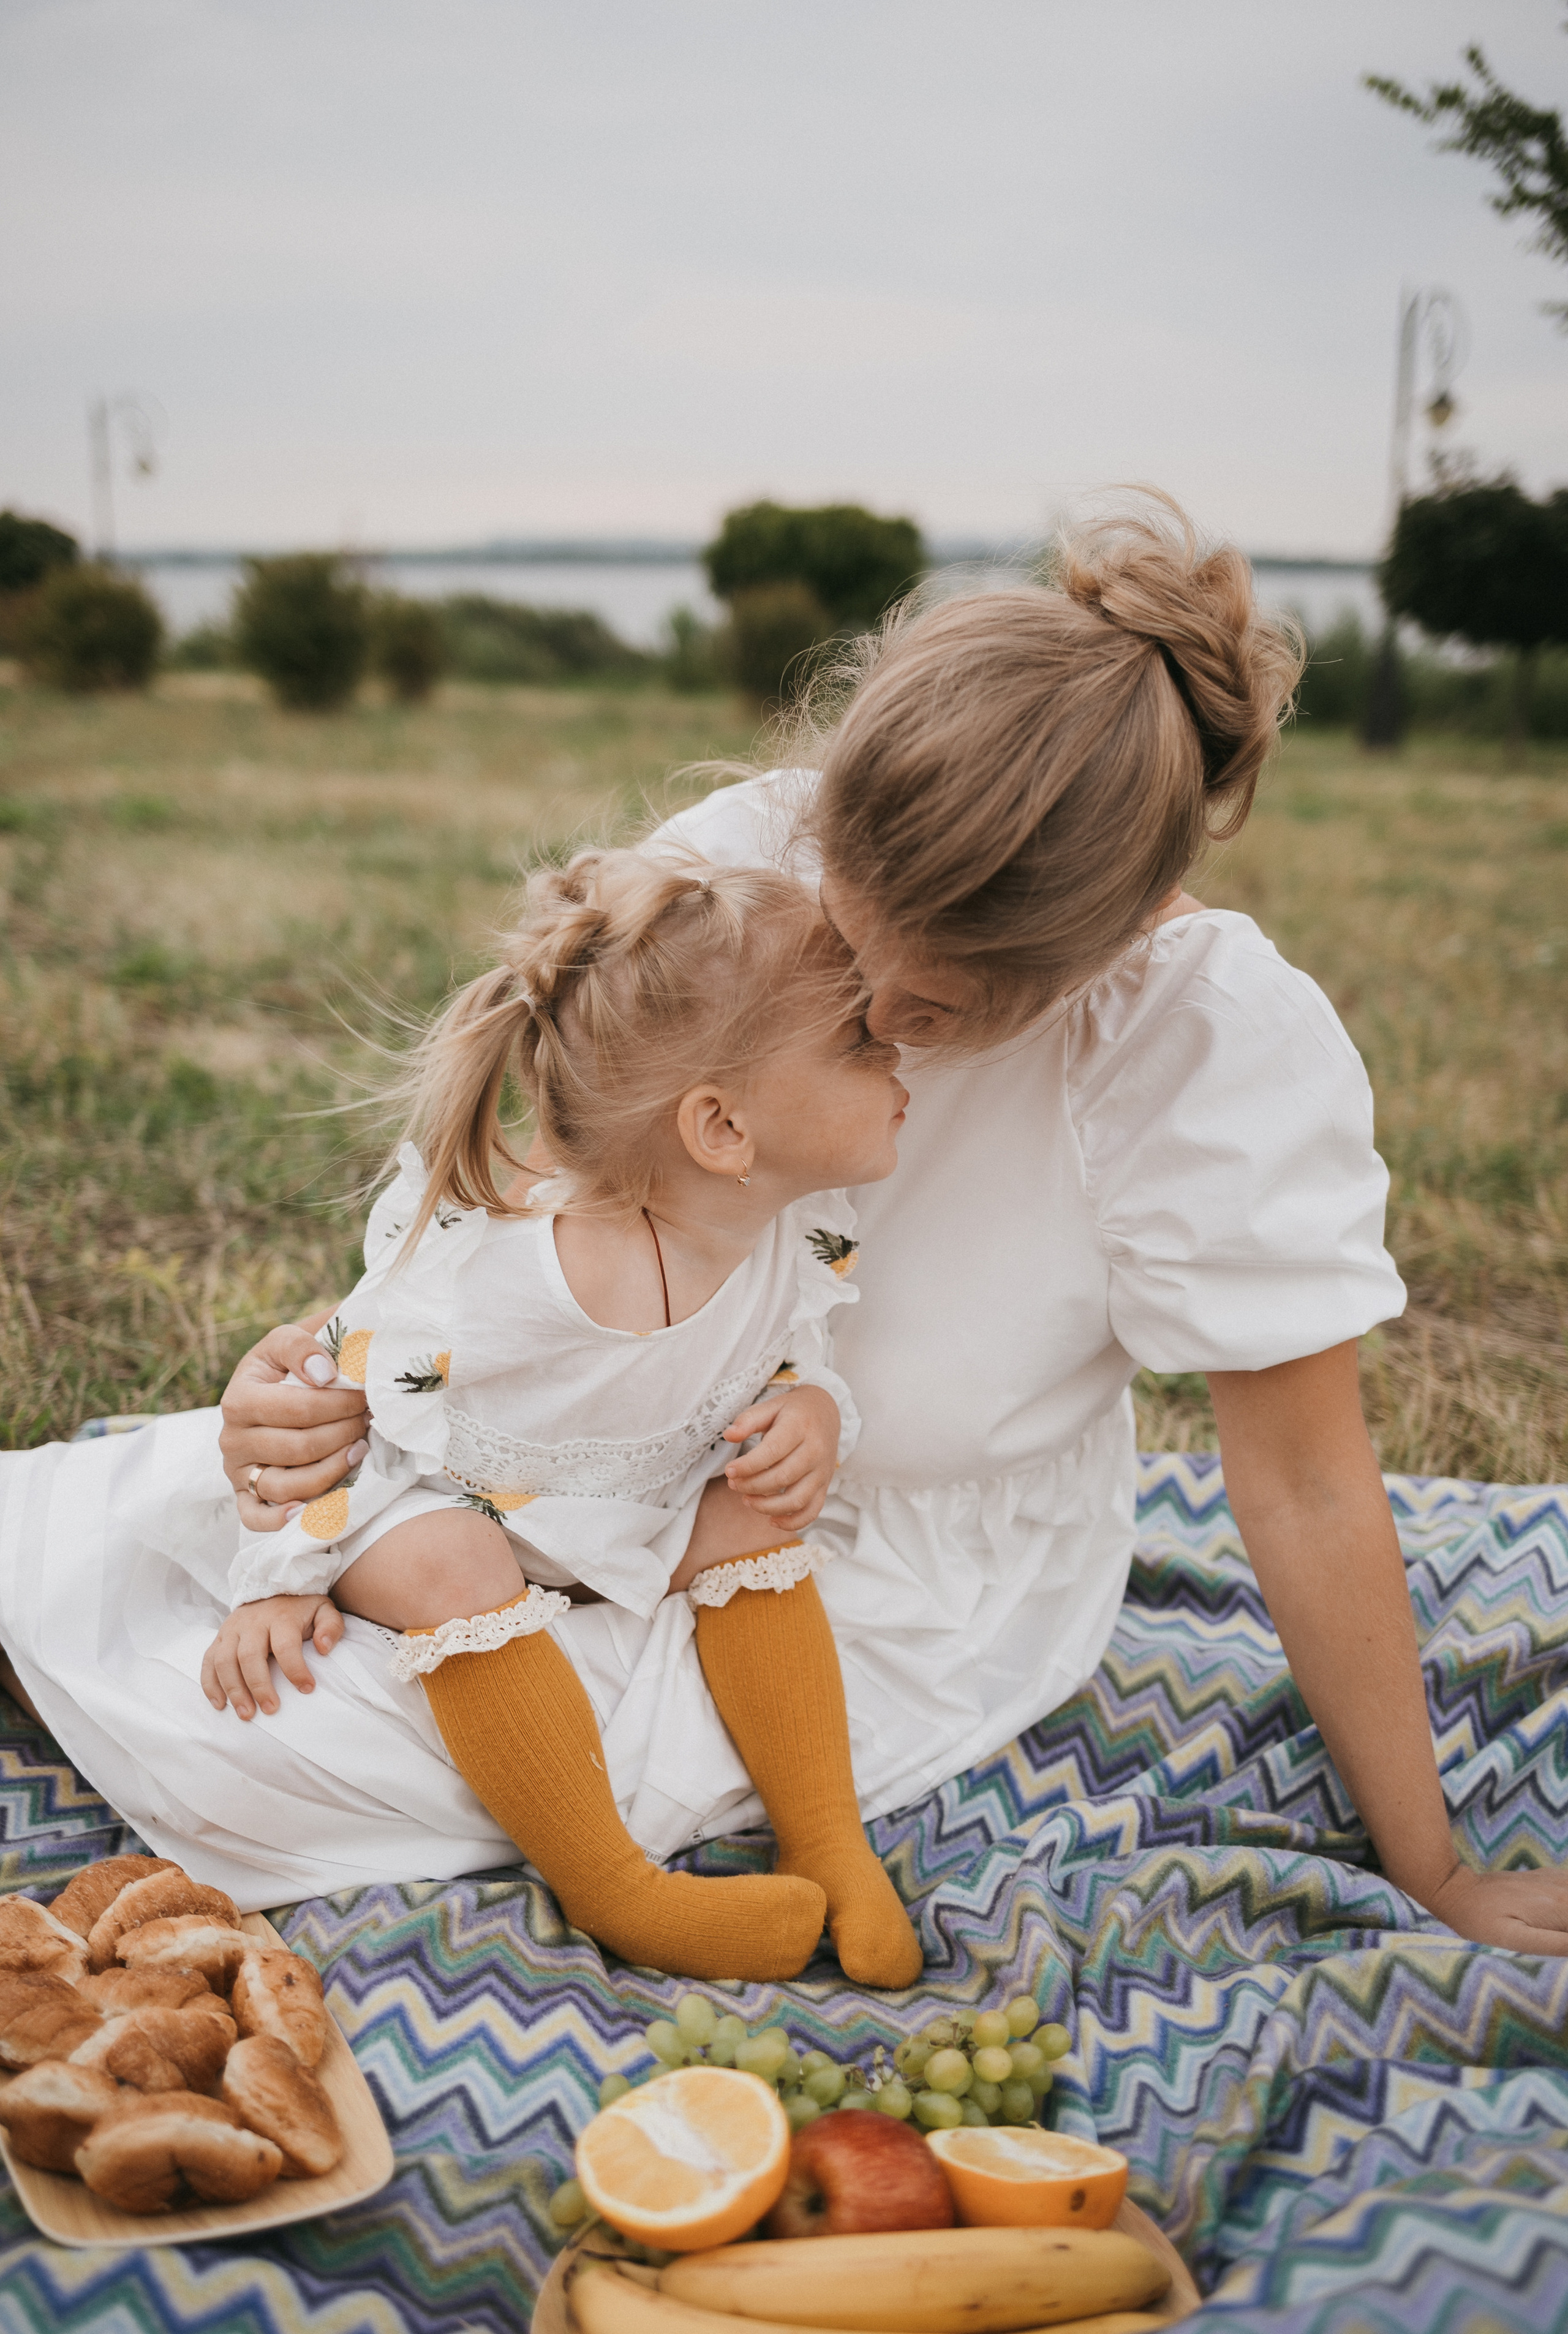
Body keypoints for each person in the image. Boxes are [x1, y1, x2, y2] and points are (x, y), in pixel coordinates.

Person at [214, 494, 1568, 1954]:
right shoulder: (742, 866)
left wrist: (1426, 1868)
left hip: (897, 1561)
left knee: (308, 1761)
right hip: (591, 1442)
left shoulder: (1205, 1039)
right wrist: (309, 1395)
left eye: (929, 1015)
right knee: (241, 1635)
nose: (872, 1019)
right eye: (849, 953)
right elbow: (536, 1190)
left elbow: (1304, 1484)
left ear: (1101, 949)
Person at [0, 848, 919, 1986]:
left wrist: (811, 1412)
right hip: (420, 1492)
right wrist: (278, 1573)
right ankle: (617, 1891)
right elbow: (328, 1399)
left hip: (620, 1506)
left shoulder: (795, 1230)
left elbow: (790, 1352)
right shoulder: (511, 1274)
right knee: (452, 1553)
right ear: (722, 1130)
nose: (900, 1055)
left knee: (751, 1511)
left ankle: (828, 1836)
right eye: (863, 1043)